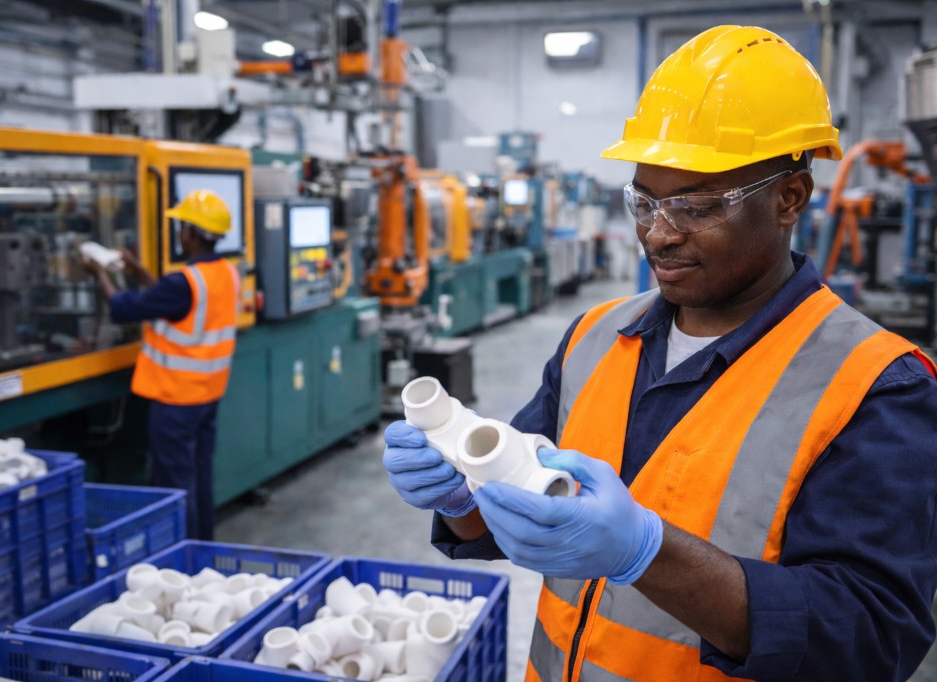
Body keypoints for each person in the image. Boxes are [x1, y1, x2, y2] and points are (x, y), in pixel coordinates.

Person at [383, 25, 937, 681]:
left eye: (697, 206)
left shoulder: (874, 387)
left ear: (790, 199)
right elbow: (521, 505)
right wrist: (461, 498)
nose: (659, 233)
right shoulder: (593, 337)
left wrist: (646, 553)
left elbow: (869, 639)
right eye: (644, 201)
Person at [87, 189, 240, 541]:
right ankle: (203, 548)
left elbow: (123, 308)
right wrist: (139, 270)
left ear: (189, 232)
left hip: (176, 401)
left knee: (176, 485)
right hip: (208, 396)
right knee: (198, 477)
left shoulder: (183, 282)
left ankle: (183, 558)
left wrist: (100, 273)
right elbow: (171, 303)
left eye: (182, 226)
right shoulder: (225, 274)